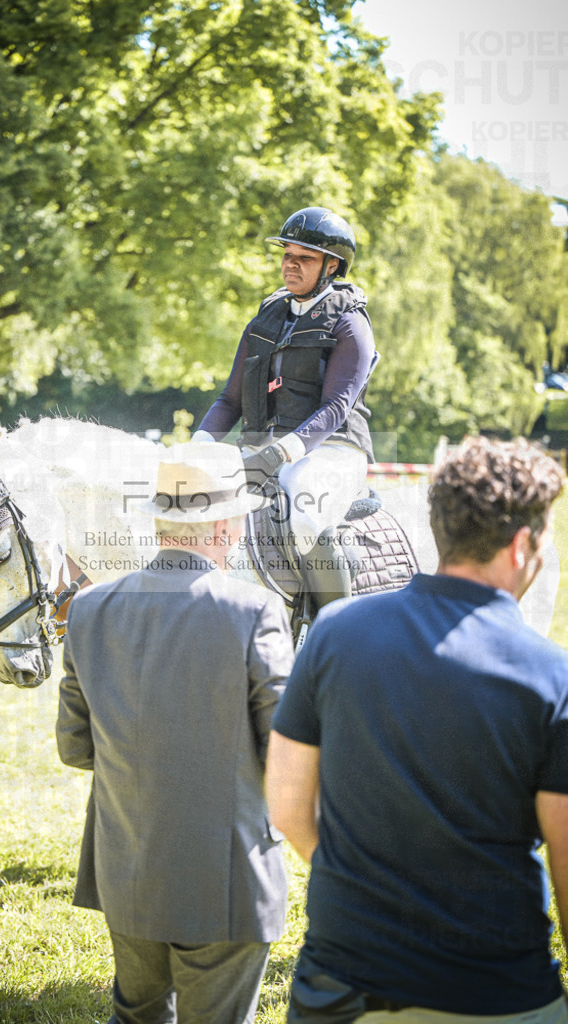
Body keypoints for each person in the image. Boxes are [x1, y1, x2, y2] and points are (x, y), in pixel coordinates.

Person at [266, 435, 568, 1024]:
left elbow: (287, 805)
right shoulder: (553, 676)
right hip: (496, 995)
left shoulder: (333, 632)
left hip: (341, 989)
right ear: (522, 545)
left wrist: (360, 885)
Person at [56, 442, 294, 1024]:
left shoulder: (88, 608)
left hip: (126, 864)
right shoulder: (255, 609)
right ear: (224, 528)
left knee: (136, 1015)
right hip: (228, 879)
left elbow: (74, 747)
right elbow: (286, 751)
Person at [194, 206, 378, 608]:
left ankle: (334, 624)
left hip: (332, 450)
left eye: (304, 258)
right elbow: (229, 400)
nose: (290, 265)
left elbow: (336, 407)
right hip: (265, 447)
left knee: (306, 513)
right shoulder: (266, 318)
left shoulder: (350, 324)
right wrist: (195, 448)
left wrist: (279, 453)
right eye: (287, 255)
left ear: (332, 266)